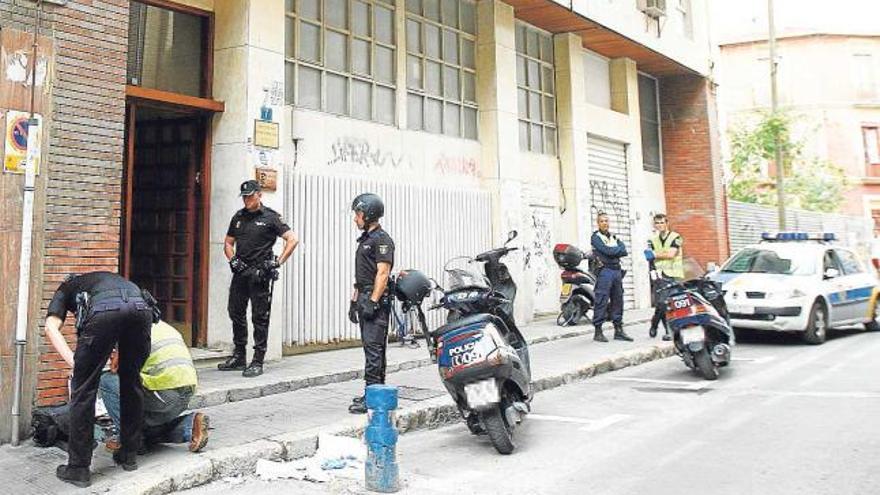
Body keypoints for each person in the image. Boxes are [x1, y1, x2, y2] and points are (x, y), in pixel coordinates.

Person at [45, 272, 155, 487]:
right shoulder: (109, 280)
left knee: (83, 390)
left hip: (107, 312)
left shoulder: (66, 288)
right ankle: (129, 455)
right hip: (142, 308)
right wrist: (120, 353)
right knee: (131, 383)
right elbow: (126, 310)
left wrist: (74, 363)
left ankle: (78, 469)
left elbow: (51, 327)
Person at [218, 180, 299, 377]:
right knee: (235, 312)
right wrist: (232, 259)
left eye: (250, 196)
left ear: (259, 195)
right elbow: (228, 242)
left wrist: (278, 262)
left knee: (259, 318)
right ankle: (239, 355)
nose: (247, 199)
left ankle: (257, 360)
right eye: (244, 196)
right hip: (241, 272)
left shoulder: (271, 217)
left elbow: (292, 239)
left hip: (259, 274)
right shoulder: (238, 217)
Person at [99, 320, 209, 454]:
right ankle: (189, 425)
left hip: (164, 391)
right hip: (184, 393)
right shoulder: (160, 325)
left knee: (107, 381)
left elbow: (119, 369)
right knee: (146, 431)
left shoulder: (128, 329)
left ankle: (130, 441)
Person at [347, 193, 395, 414]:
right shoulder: (366, 240)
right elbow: (363, 277)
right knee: (371, 349)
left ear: (369, 215)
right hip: (365, 297)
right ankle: (376, 393)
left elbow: (382, 274)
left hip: (375, 300)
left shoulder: (382, 240)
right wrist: (354, 302)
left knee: (374, 351)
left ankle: (372, 398)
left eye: (358, 214)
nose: (356, 218)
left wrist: (373, 302)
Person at [590, 212, 633, 343]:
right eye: (602, 221)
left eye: (607, 221)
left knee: (618, 300)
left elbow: (624, 250)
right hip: (605, 271)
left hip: (616, 271)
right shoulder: (595, 237)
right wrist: (615, 251)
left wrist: (613, 251)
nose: (605, 223)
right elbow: (606, 251)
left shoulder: (614, 236)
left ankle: (618, 330)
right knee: (601, 300)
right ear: (598, 223)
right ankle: (598, 331)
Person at [647, 213, 684, 341]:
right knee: (661, 303)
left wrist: (654, 254)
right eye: (657, 223)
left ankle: (660, 327)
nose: (659, 225)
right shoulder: (652, 240)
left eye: (662, 222)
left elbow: (671, 254)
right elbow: (648, 258)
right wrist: (652, 272)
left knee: (671, 304)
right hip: (659, 275)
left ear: (667, 223)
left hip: (674, 275)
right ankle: (661, 327)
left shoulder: (676, 237)